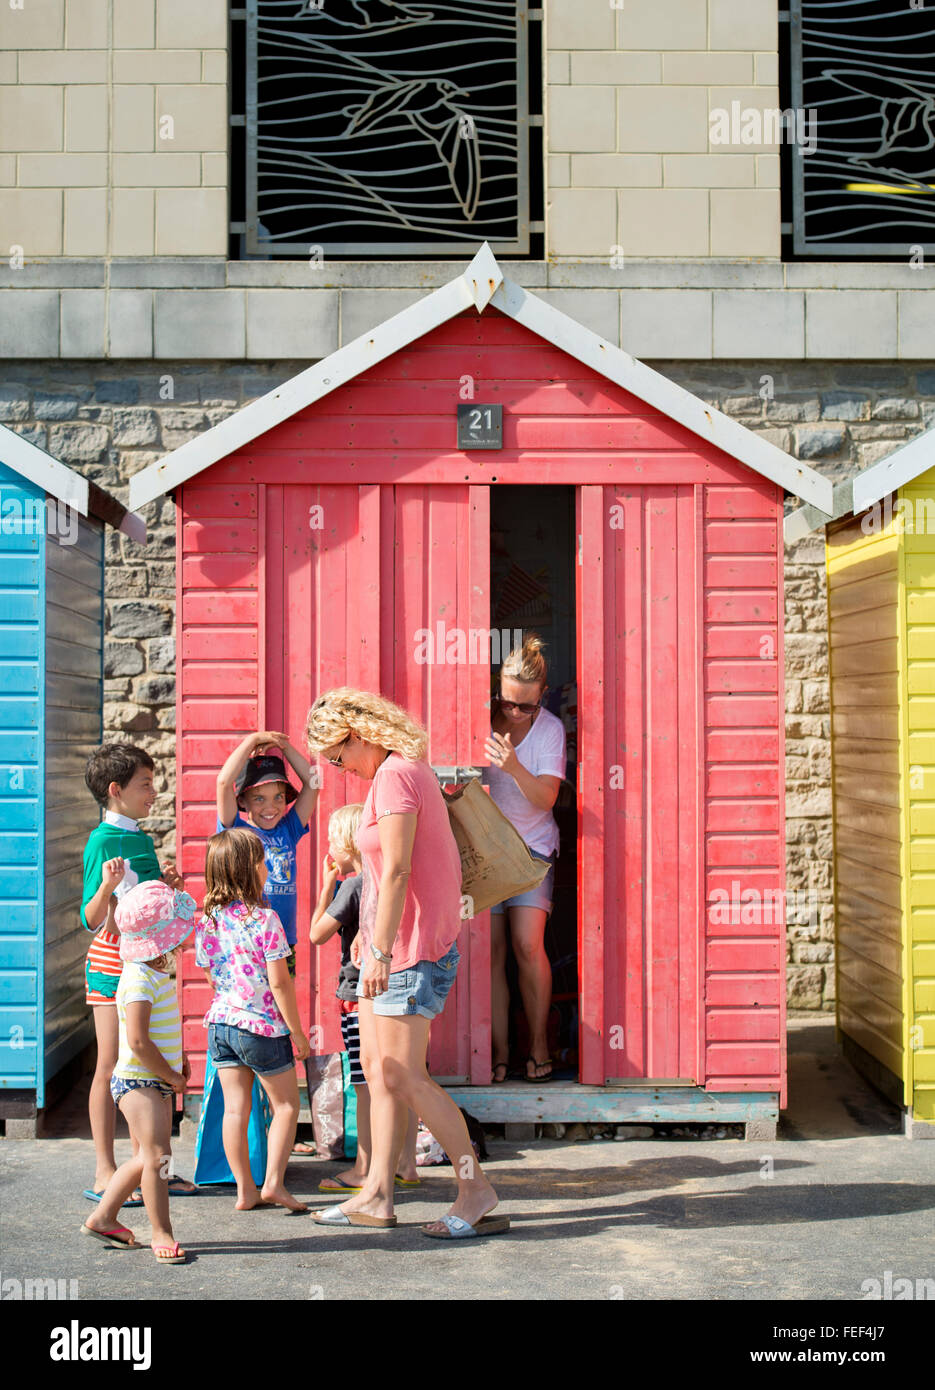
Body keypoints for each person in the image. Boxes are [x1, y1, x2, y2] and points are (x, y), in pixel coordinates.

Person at [306, 687, 508, 1239]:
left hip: (410, 951)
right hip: (391, 946)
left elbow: (396, 871)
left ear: (357, 734)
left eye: (336, 754)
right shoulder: (393, 774)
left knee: (402, 1074)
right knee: (380, 1071)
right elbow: (381, 876)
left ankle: (476, 1190)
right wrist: (367, 935)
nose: (338, 767)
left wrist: (378, 949)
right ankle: (375, 1194)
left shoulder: (397, 775)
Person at [80, 743, 197, 1203]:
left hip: (149, 963)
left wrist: (169, 886)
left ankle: (155, 1170)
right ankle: (105, 1171)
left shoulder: (142, 840)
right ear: (115, 791)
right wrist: (107, 886)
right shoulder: (100, 841)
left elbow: (151, 908)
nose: (155, 791)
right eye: (145, 784)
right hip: (111, 964)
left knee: (148, 1071)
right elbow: (91, 918)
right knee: (112, 1064)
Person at [81, 880, 198, 1262]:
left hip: (154, 1079)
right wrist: (173, 1076)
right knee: (159, 1156)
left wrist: (175, 1061)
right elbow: (138, 1042)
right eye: (175, 937)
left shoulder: (154, 971)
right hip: (138, 1081)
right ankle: (161, 1231)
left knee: (146, 1156)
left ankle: (103, 1216)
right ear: (158, 939)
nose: (181, 943)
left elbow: (159, 1033)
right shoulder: (137, 979)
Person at [196, 827, 310, 1212]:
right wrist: (298, 1035)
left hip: (221, 1024)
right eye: (262, 861)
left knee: (235, 1110)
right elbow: (280, 983)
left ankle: (244, 1188)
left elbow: (210, 975)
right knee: (287, 1107)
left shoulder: (208, 921)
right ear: (249, 871)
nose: (267, 866)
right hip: (261, 1026)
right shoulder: (266, 920)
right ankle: (274, 1183)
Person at [309, 802, 419, 1194]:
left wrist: (326, 888)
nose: (329, 850)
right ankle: (406, 1163)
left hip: (359, 999)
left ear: (345, 843)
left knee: (366, 1086)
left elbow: (316, 934)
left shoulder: (352, 884)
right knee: (398, 1082)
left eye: (331, 842)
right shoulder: (379, 880)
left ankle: (364, 1167)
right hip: (390, 992)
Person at [482, 634, 566, 1083]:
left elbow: (547, 798)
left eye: (525, 707)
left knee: (527, 945)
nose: (514, 713)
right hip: (486, 848)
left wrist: (513, 765)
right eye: (508, 703)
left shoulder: (549, 729)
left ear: (542, 697)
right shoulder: (481, 719)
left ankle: (537, 1044)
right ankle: (499, 1053)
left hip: (532, 846)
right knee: (490, 951)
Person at [216, 730, 319, 979]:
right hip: (245, 937)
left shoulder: (288, 829)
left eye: (278, 797)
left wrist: (283, 746)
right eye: (259, 798)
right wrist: (250, 741)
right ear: (243, 801)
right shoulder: (236, 831)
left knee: (281, 1003)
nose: (270, 807)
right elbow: (222, 783)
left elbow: (314, 782)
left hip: (284, 938)